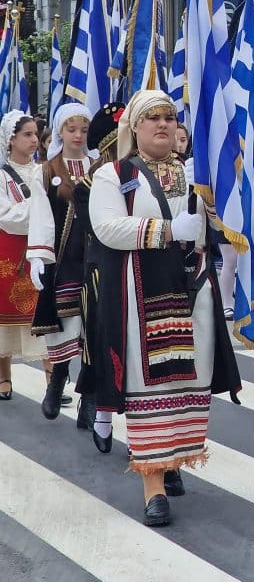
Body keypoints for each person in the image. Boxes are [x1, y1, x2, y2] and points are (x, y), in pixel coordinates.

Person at [89, 90, 240, 527]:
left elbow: (225, 223)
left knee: (187, 378)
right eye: (152, 118)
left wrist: (216, 203)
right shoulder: (112, 175)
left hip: (192, 290)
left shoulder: (195, 175)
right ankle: (152, 485)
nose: (162, 124)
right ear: (134, 127)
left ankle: (172, 461)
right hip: (141, 295)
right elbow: (108, 228)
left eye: (170, 117)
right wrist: (171, 229)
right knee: (147, 384)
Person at [27, 103, 94, 421]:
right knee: (69, 322)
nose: (78, 135)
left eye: (83, 129)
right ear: (59, 132)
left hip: (98, 256)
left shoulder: (101, 166)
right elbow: (41, 216)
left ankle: (92, 398)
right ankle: (57, 381)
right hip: (65, 257)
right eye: (72, 129)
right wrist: (39, 256)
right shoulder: (47, 170)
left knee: (97, 325)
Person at [74, 102, 124, 452]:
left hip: (143, 267)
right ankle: (97, 406)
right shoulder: (89, 183)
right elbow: (99, 230)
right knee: (100, 339)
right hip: (103, 269)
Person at [0, 112, 46, 401]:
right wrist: (40, 210)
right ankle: (4, 376)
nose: (34, 140)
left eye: (35, 135)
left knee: (45, 316)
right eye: (27, 135)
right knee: (4, 318)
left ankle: (54, 377)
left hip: (41, 250)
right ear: (11, 139)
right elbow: (7, 216)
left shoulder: (45, 172)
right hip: (9, 252)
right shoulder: (2, 176)